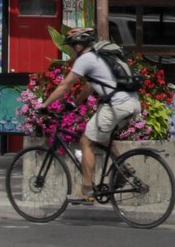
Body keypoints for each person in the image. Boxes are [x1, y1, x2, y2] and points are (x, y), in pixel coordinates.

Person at [44, 28, 141, 198]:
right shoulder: (101, 56)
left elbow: (65, 85)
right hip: (132, 103)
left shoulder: (86, 59)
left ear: (80, 45)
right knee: (102, 138)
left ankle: (87, 191)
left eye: (74, 46)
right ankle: (125, 168)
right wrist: (74, 103)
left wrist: (45, 105)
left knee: (86, 141)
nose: (73, 50)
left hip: (116, 105)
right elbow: (90, 86)